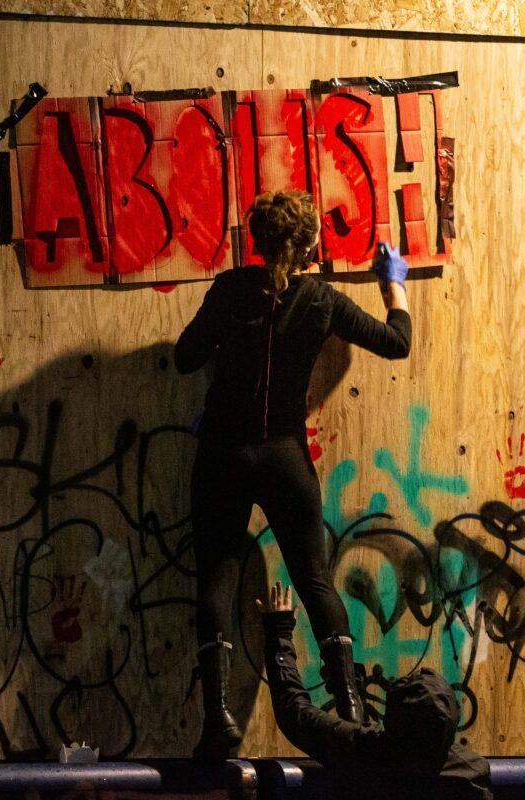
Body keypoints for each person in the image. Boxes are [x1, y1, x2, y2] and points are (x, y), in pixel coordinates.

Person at [176, 190, 412, 759]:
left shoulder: (232, 289)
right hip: (286, 458)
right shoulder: (322, 301)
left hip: (223, 456)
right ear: (309, 247)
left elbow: (185, 357)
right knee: (313, 581)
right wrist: (393, 282)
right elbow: (397, 343)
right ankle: (351, 712)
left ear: (255, 240)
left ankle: (218, 721)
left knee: (215, 581)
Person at [257, 582, 492, 800]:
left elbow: (295, 713)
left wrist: (280, 635)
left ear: (393, 719)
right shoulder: (470, 772)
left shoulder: (368, 753)